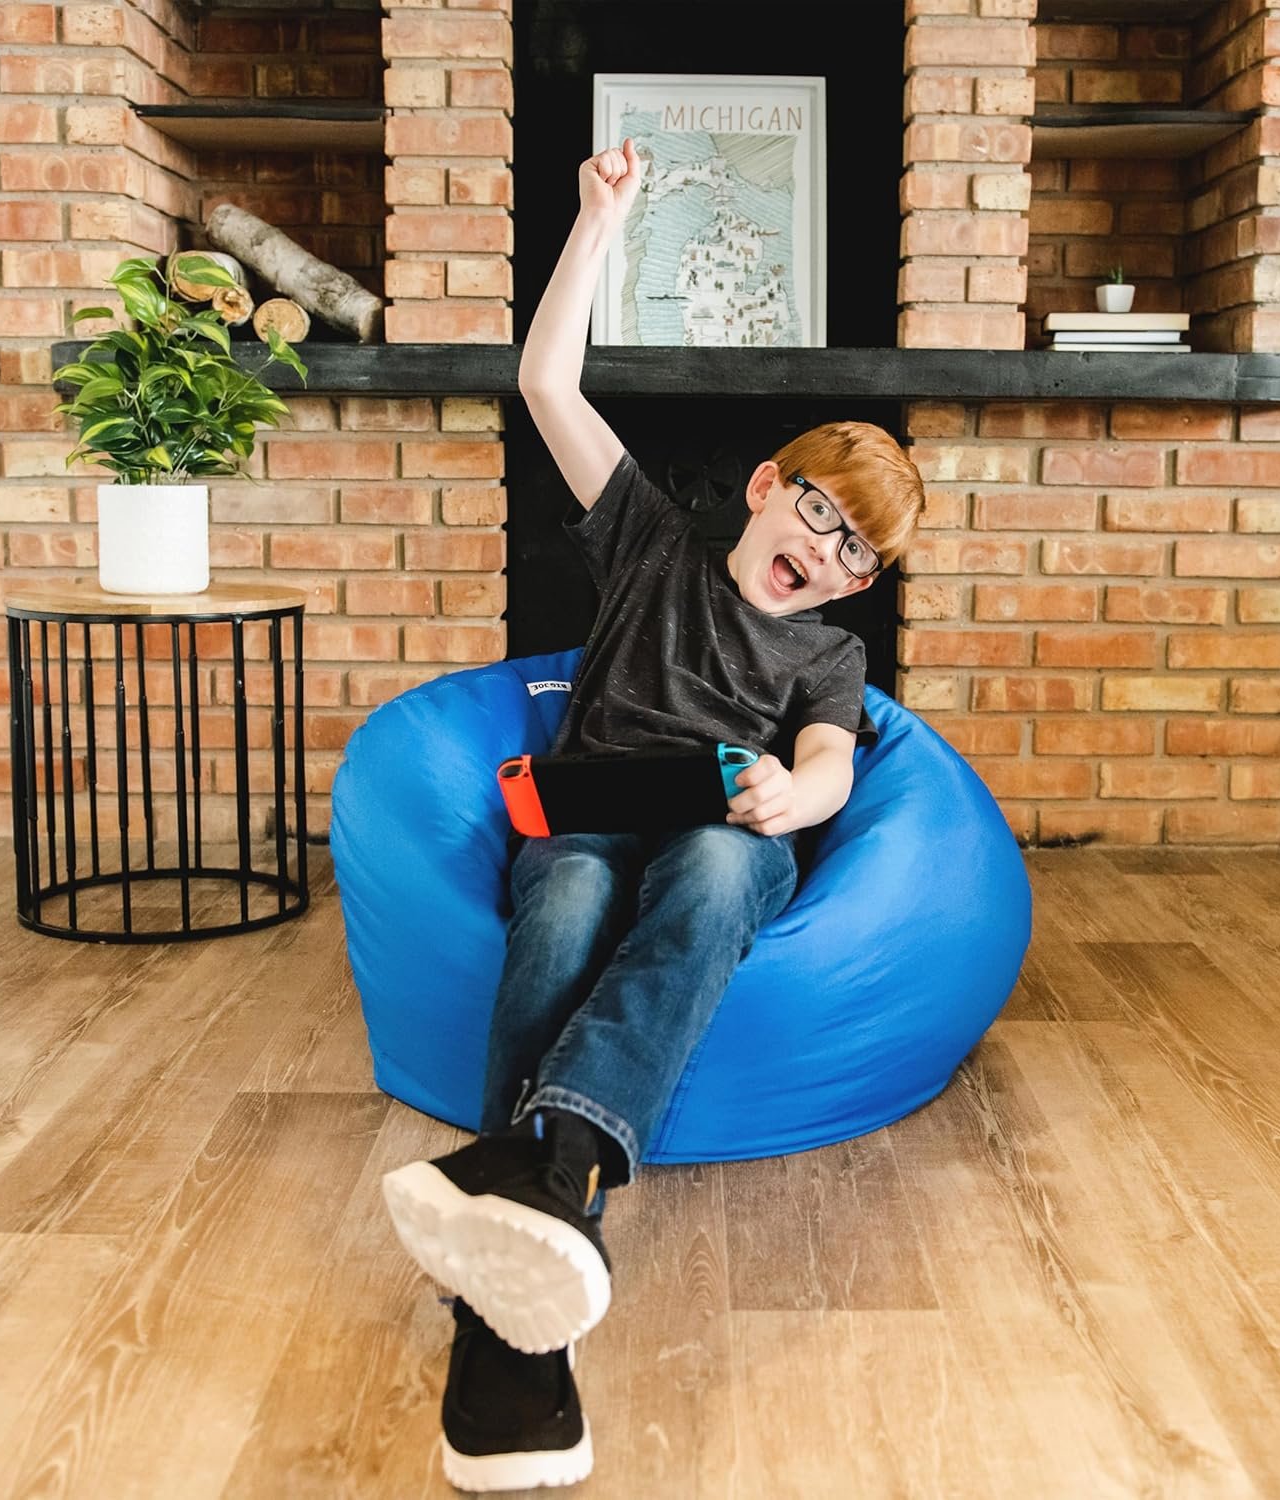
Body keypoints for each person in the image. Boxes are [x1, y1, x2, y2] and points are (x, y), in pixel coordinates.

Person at [382, 138, 926, 1492]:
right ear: (766, 487)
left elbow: (831, 759)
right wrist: (597, 224)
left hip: (724, 831)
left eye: (858, 555)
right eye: (823, 516)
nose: (829, 556)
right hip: (587, 809)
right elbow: (544, 383)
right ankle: (536, 1246)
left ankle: (535, 1169)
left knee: (714, 873)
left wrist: (799, 793)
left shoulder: (830, 655)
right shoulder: (650, 539)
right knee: (566, 893)